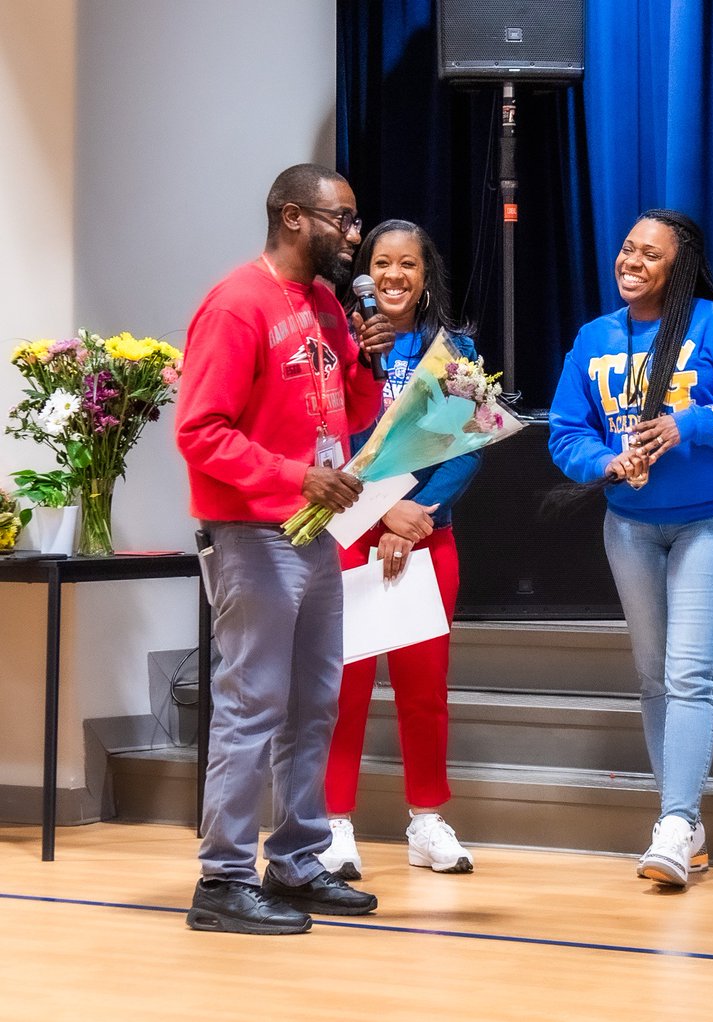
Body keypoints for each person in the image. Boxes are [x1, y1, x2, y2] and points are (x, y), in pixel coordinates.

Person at [175, 163, 391, 935]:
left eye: (356, 220)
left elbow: (353, 412)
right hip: (252, 531)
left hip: (314, 530)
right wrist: (296, 478)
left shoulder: (328, 306)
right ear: (294, 217)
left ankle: (297, 858)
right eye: (344, 219)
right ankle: (223, 879)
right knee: (252, 701)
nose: (355, 236)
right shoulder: (239, 305)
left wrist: (366, 357)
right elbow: (200, 434)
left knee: (312, 701)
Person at [548, 209, 713, 889]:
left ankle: (675, 825)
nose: (633, 261)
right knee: (654, 677)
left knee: (687, 674)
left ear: (676, 268)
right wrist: (604, 463)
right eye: (627, 248)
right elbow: (566, 433)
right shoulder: (594, 339)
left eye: (651, 254)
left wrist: (688, 424)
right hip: (629, 526)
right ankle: (684, 826)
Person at [318, 219, 482, 879]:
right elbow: (329, 444)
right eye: (382, 263)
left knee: (423, 688)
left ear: (425, 275)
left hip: (425, 539)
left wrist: (411, 519)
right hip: (350, 538)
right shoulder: (335, 347)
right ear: (364, 272)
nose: (393, 275)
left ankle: (428, 823)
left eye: (407, 264)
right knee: (345, 687)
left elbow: (466, 448)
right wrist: (383, 513)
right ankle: (332, 827)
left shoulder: (453, 350)